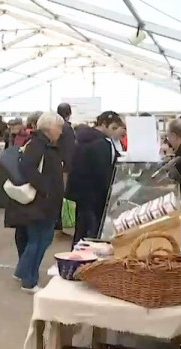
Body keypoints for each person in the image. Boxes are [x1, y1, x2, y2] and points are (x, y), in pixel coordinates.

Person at [12, 112, 65, 294]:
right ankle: (29, 279)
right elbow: (28, 168)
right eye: (59, 127)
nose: (61, 131)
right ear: (50, 128)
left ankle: (23, 272)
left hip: (43, 202)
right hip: (41, 203)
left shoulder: (42, 144)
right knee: (39, 239)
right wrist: (46, 188)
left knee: (38, 239)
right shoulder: (38, 145)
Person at [66, 111, 123, 246]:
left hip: (81, 194)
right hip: (96, 196)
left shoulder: (81, 138)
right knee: (92, 233)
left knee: (81, 231)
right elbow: (103, 172)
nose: (115, 132)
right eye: (113, 128)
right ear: (104, 125)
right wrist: (111, 193)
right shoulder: (101, 144)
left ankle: (75, 260)